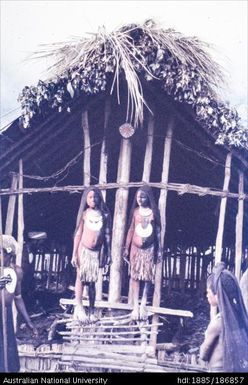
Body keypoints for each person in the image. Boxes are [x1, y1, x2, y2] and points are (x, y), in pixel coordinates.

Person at [71, 186, 112, 323]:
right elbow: (78, 234)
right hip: (83, 250)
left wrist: (108, 253)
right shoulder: (84, 214)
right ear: (86, 199)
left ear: (99, 197)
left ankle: (92, 310)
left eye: (95, 197)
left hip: (95, 253)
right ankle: (79, 307)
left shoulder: (105, 215)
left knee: (92, 282)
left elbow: (107, 236)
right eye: (90, 197)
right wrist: (73, 254)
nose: (93, 199)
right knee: (81, 278)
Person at [199, 262, 248, 372]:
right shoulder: (238, 318)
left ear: (217, 294)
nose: (207, 295)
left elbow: (203, 354)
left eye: (208, 292)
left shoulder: (218, 323)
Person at [123, 185, 162, 320]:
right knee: (135, 275)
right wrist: (126, 247)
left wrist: (159, 250)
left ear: (148, 197)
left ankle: (144, 302)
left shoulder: (153, 213)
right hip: (135, 248)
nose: (140, 199)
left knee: (147, 276)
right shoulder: (135, 212)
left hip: (149, 249)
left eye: (143, 196)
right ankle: (135, 305)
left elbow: (157, 232)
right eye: (138, 196)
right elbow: (130, 230)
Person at [0, 235, 38, 373]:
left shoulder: (17, 271)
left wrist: (29, 322)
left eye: (0, 252)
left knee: (7, 353)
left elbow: (18, 298)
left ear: (9, 254)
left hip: (6, 315)